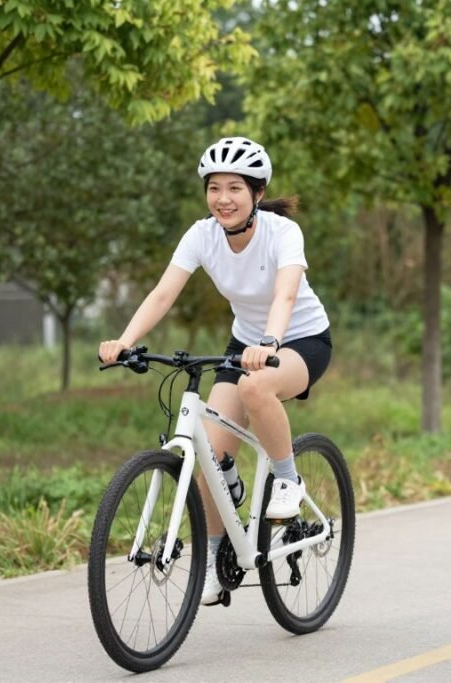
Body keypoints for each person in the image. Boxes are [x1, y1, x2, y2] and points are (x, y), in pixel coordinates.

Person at [98, 136, 333, 605]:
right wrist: (125, 341)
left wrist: (270, 341)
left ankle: (286, 478)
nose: (223, 198)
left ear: (257, 194)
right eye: (214, 188)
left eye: (235, 188)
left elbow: (285, 294)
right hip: (244, 343)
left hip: (300, 339)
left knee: (256, 388)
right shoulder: (201, 235)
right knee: (207, 451)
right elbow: (164, 293)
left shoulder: (283, 233)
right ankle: (213, 558)